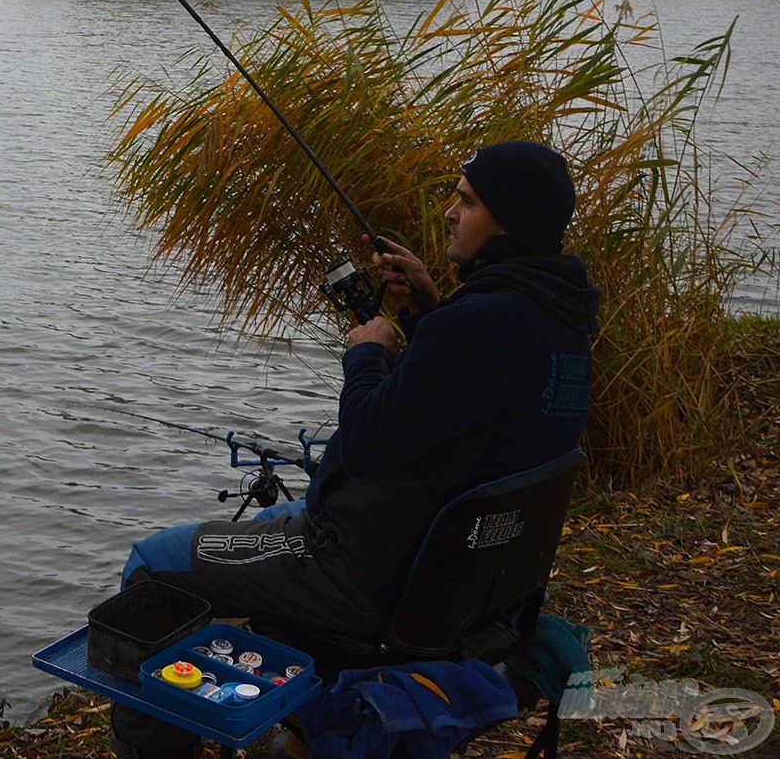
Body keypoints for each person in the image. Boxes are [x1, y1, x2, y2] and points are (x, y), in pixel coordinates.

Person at [110, 140, 601, 758]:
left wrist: (367, 353)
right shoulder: (562, 318)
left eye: (467, 201)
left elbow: (367, 444)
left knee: (153, 566)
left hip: (360, 570)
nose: (450, 212)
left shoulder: (476, 325)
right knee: (264, 522)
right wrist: (427, 307)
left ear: (509, 221)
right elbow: (473, 400)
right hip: (467, 592)